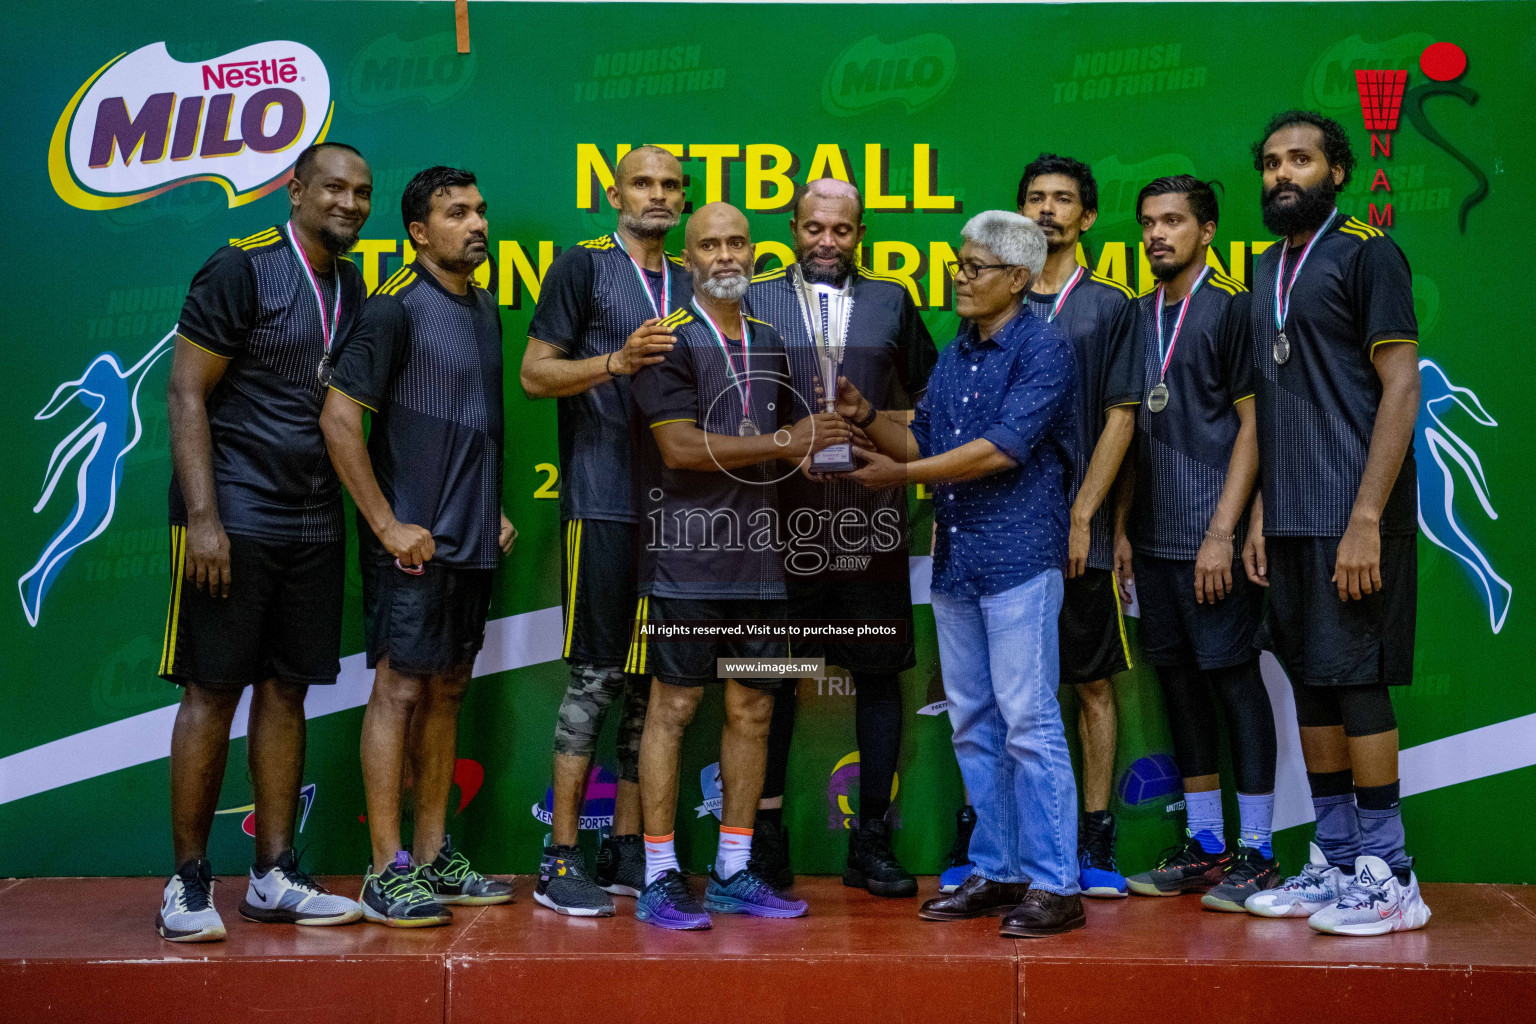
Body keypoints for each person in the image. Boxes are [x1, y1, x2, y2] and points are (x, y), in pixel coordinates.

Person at [841, 211, 1085, 938]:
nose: (958, 275)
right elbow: (921, 434)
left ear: (1017, 279)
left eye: (974, 267)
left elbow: (1001, 449)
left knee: (1029, 722)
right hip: (959, 562)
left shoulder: (1044, 350)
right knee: (975, 724)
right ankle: (999, 867)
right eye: (959, 263)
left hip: (1017, 560)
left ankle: (1056, 883)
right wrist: (864, 417)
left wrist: (905, 473)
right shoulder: (958, 351)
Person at [158, 142, 372, 942]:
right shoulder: (239, 267)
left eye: (361, 193)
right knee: (213, 691)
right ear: (294, 190)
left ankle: (274, 875)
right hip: (233, 512)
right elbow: (185, 391)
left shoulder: (350, 283)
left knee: (287, 691)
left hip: (312, 518)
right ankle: (186, 883)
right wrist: (204, 518)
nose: (349, 204)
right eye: (333, 189)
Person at [627, 202, 849, 930]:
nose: (726, 254)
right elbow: (682, 449)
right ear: (687, 258)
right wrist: (792, 439)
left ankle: (732, 869)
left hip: (761, 563)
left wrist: (827, 454)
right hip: (687, 560)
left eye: (738, 242)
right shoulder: (669, 342)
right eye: (710, 244)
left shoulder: (773, 341)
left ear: (755, 253)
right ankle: (660, 875)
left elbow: (782, 450)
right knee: (674, 709)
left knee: (754, 709)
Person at [1239, 112, 1430, 935]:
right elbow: (1269, 404)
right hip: (1287, 515)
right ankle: (1338, 856)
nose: (1286, 174)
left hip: (1356, 513)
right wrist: (1255, 516)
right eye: (1274, 162)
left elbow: (1401, 388)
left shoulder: (1367, 252)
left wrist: (1365, 517)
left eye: (1303, 160)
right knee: (1312, 682)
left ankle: (1391, 876)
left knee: (1356, 682)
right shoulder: (1260, 266)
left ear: (1338, 172)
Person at [322, 166, 516, 927]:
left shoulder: (484, 308)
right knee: (400, 690)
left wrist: (492, 506)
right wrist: (384, 523)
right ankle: (384, 870)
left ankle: (434, 857)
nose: (475, 223)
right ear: (417, 231)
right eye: (456, 212)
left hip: (470, 535)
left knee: (447, 690)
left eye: (479, 209)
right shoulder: (393, 308)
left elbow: (475, 421)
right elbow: (339, 419)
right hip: (412, 540)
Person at [743, 178, 937, 898]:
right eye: (814, 228)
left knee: (879, 676)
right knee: (767, 679)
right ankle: (763, 841)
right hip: (774, 524)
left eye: (843, 230)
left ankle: (872, 843)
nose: (828, 242)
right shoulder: (755, 299)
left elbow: (927, 406)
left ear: (861, 234)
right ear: (792, 227)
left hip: (869, 521)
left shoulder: (891, 300)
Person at [520, 145, 690, 915]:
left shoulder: (690, 282)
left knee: (651, 687)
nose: (656, 195)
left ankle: (625, 848)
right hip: (603, 501)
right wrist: (615, 362)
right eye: (643, 183)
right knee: (596, 677)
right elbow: (533, 374)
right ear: (614, 192)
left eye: (670, 186)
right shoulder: (581, 268)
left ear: (683, 201)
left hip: (680, 516)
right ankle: (560, 855)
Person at [1114, 176, 1281, 912]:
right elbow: (1129, 428)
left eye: (1174, 222)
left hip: (1211, 540)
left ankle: (1261, 852)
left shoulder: (1233, 308)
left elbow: (1256, 426)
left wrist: (1225, 532)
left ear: (1207, 231)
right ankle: (1208, 845)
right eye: (1148, 222)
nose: (1157, 235)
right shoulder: (1137, 313)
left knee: (1233, 684)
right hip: (1150, 540)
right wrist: (1120, 527)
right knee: (1179, 688)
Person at [1017, 154, 1141, 899]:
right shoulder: (994, 296)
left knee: (1090, 683)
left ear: (1087, 216)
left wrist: (1088, 516)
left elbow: (1124, 418)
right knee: (1008, 695)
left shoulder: (1112, 305)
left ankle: (1095, 837)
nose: (1048, 211)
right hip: (1006, 529)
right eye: (1035, 198)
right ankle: (1004, 836)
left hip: (1080, 530)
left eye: (1063, 200)